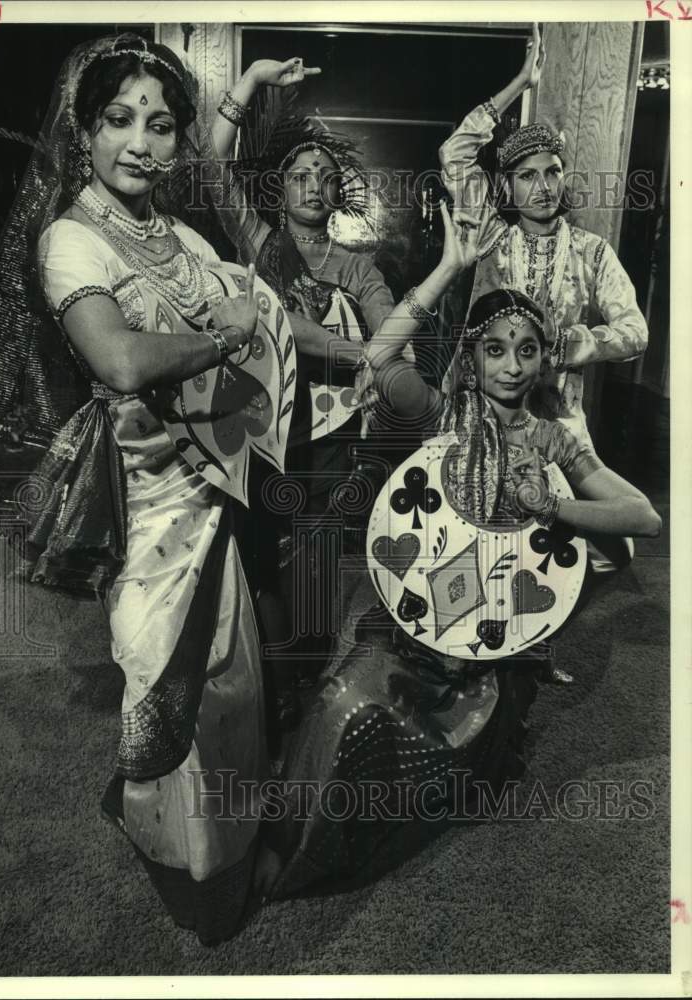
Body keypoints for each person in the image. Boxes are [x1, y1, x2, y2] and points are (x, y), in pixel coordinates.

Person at [0, 33, 293, 946]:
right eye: (119, 120)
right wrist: (227, 338)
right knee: (165, 678)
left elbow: (249, 301)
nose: (140, 143)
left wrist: (359, 352)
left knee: (230, 680)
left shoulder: (177, 232)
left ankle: (210, 842)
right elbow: (118, 358)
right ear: (84, 131)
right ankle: (193, 871)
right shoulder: (71, 238)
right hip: (147, 501)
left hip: (211, 490)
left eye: (161, 124)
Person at [262, 201, 660, 899]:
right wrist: (451, 266)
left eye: (527, 349)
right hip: (410, 628)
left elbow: (644, 519)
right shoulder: (437, 416)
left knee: (450, 767)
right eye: (494, 348)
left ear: (543, 362)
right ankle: (295, 852)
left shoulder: (551, 439)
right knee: (340, 704)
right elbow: (381, 354)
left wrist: (556, 506)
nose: (511, 365)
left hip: (488, 651)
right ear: (471, 358)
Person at [210, 58, 424, 730]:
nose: (312, 185)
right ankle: (268, 690)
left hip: (327, 435)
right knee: (258, 563)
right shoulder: (259, 243)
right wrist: (248, 85)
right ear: (279, 189)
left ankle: (304, 691)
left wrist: (393, 364)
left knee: (317, 564)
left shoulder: (357, 266)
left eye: (325, 179)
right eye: (299, 175)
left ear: (337, 198)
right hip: (257, 429)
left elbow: (393, 332)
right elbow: (213, 166)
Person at [438, 25, 648, 487]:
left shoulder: (592, 253)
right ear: (509, 187)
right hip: (480, 409)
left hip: (558, 414)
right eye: (528, 176)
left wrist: (573, 342)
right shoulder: (490, 233)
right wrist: (521, 83)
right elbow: (455, 153)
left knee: (604, 544)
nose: (543, 187)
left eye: (552, 173)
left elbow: (636, 332)